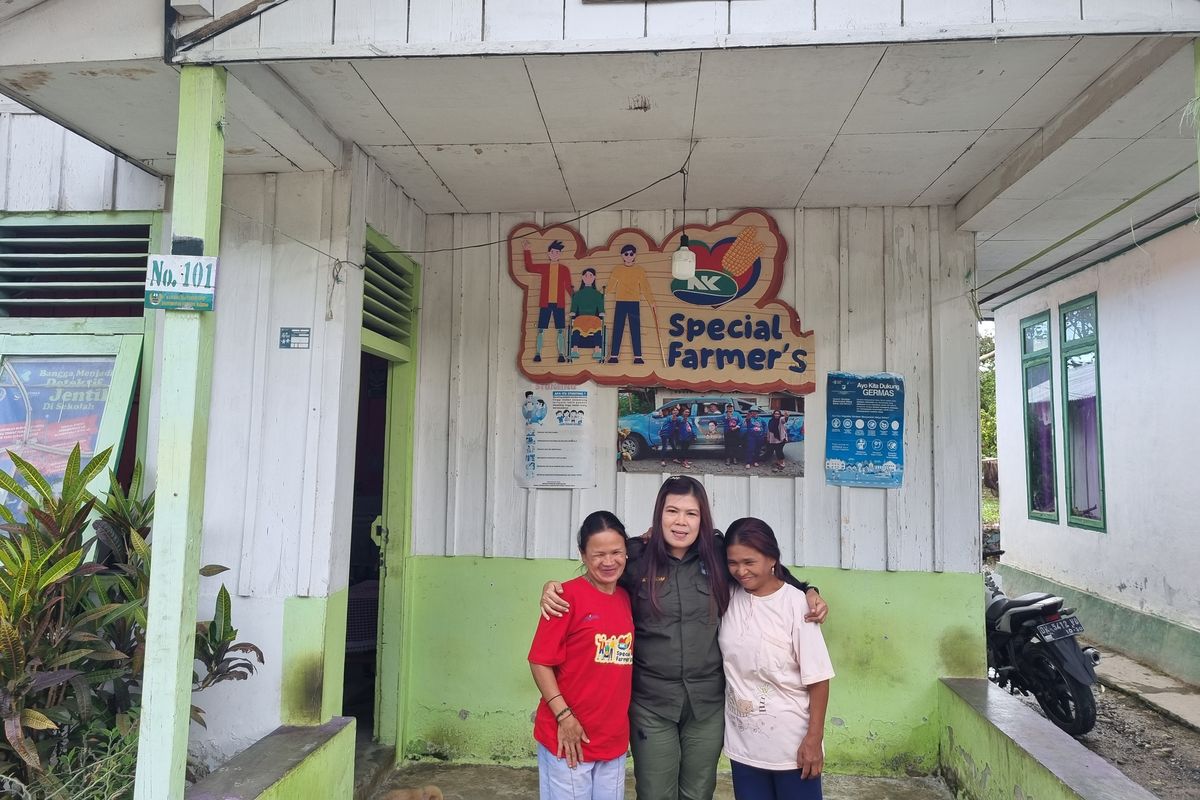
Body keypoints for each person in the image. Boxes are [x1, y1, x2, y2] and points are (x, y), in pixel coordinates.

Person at [541, 476, 829, 800]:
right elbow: (598, 572)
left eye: (691, 513)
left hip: (706, 705)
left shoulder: (719, 555)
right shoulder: (635, 558)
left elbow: (765, 571)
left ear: (702, 517)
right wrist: (553, 586)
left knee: (697, 792)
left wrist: (808, 591)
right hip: (651, 702)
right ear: (658, 514)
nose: (681, 522)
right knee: (655, 793)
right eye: (672, 511)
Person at [721, 518, 833, 800]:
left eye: (749, 561)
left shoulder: (797, 606)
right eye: (733, 563)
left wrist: (814, 739)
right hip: (744, 746)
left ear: (772, 558)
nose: (741, 571)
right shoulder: (727, 596)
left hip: (791, 749)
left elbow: (818, 679)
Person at [529, 511, 634, 799]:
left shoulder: (626, 597)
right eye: (599, 554)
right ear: (583, 555)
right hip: (568, 736)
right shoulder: (565, 598)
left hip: (611, 739)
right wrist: (565, 717)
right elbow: (539, 662)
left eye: (616, 552)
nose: (609, 561)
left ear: (627, 552)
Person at [523, 238, 574, 363]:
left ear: (560, 254)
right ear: (548, 253)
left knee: (560, 330)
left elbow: (568, 287)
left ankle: (561, 354)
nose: (555, 254)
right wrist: (527, 250)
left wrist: (577, 301)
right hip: (545, 304)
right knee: (541, 329)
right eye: (553, 252)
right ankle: (538, 353)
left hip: (559, 304)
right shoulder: (545, 268)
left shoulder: (564, 269)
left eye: (557, 252)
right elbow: (530, 267)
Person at [607, 244, 655, 366]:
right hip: (620, 301)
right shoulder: (618, 269)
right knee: (618, 328)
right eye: (626, 254)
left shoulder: (639, 270)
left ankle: (638, 356)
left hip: (634, 302)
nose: (629, 256)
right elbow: (611, 285)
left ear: (635, 255)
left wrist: (651, 301)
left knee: (635, 329)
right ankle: (614, 355)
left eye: (631, 254)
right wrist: (602, 296)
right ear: (622, 255)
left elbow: (645, 287)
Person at [570, 268, 606, 361]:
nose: (588, 278)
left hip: (593, 318)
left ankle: (597, 349)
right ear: (582, 277)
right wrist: (573, 311)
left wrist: (601, 312)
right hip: (581, 317)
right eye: (586, 275)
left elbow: (600, 307)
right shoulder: (578, 294)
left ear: (594, 277)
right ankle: (574, 349)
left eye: (590, 275)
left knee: (598, 324)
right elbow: (574, 307)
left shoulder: (598, 295)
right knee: (576, 324)